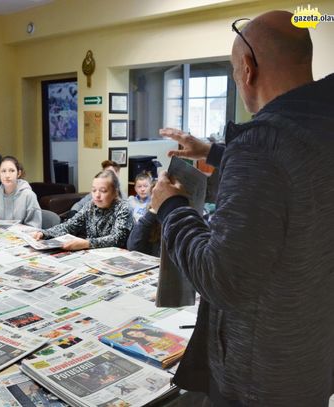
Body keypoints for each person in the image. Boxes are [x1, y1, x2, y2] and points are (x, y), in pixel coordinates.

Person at [151, 11, 334, 406]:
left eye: (234, 73)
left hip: (256, 378)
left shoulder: (260, 146)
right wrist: (215, 152)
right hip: (311, 356)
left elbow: (220, 278)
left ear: (248, 69)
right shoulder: (321, 126)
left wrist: (171, 207)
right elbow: (293, 178)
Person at [33, 170, 132, 250]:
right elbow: (70, 225)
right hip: (94, 254)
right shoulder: (90, 206)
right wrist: (45, 233)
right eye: (94, 190)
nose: (97, 195)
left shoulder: (123, 208)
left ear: (115, 192)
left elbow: (117, 239)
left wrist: (86, 243)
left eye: (103, 191)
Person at [0, 156, 42, 228]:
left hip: (22, 236)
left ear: (18, 173)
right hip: (2, 235)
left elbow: (34, 226)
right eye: (3, 171)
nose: (7, 175)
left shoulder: (29, 195)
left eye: (12, 171)